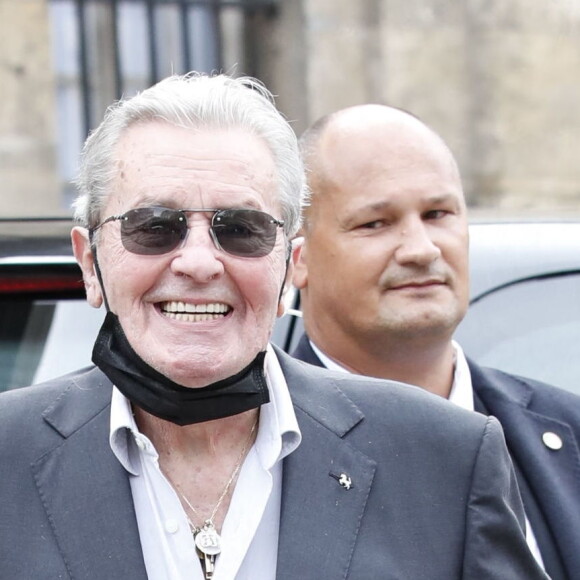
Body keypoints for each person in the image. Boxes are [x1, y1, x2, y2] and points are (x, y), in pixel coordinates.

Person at [0, 75, 547, 580]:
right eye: (154, 227)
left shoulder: (445, 459)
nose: (199, 263)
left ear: (290, 266)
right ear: (90, 263)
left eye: (240, 229)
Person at [292, 103, 580, 580]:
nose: (421, 249)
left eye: (437, 213)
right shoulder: (255, 449)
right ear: (297, 256)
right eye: (375, 223)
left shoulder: (566, 434)